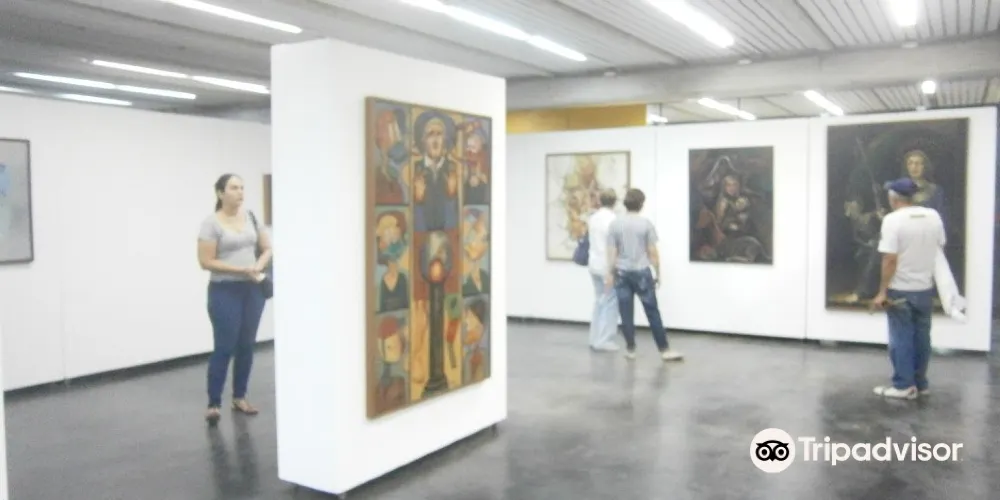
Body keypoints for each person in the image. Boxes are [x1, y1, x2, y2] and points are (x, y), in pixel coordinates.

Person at [197, 174, 272, 423]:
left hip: (252, 290)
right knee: (224, 346)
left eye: (242, 187)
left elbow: (267, 248)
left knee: (246, 345)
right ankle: (214, 402)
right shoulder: (211, 223)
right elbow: (205, 261)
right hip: (224, 290)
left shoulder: (251, 217)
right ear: (220, 193)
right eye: (234, 188)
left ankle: (240, 397)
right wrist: (241, 270)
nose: (240, 192)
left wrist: (257, 266)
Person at [870, 178, 945, 400]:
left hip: (900, 289)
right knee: (922, 338)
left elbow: (889, 259)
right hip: (925, 288)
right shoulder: (933, 216)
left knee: (901, 338)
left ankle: (903, 385)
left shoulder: (892, 221)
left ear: (893, 198)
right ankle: (920, 384)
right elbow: (939, 245)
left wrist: (882, 291)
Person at [605, 189, 683, 361]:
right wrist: (658, 272)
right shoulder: (645, 224)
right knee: (652, 311)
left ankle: (631, 349)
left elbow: (612, 252)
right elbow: (652, 251)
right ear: (641, 204)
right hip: (641, 272)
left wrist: (610, 273)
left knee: (625, 312)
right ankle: (664, 349)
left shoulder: (615, 224)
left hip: (621, 272)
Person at [587, 189, 620, 352]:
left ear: (600, 200)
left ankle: (594, 338)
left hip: (594, 265)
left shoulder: (593, 218)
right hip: (606, 266)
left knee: (599, 300)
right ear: (615, 202)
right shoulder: (614, 220)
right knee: (610, 302)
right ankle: (604, 340)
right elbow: (612, 247)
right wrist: (612, 270)